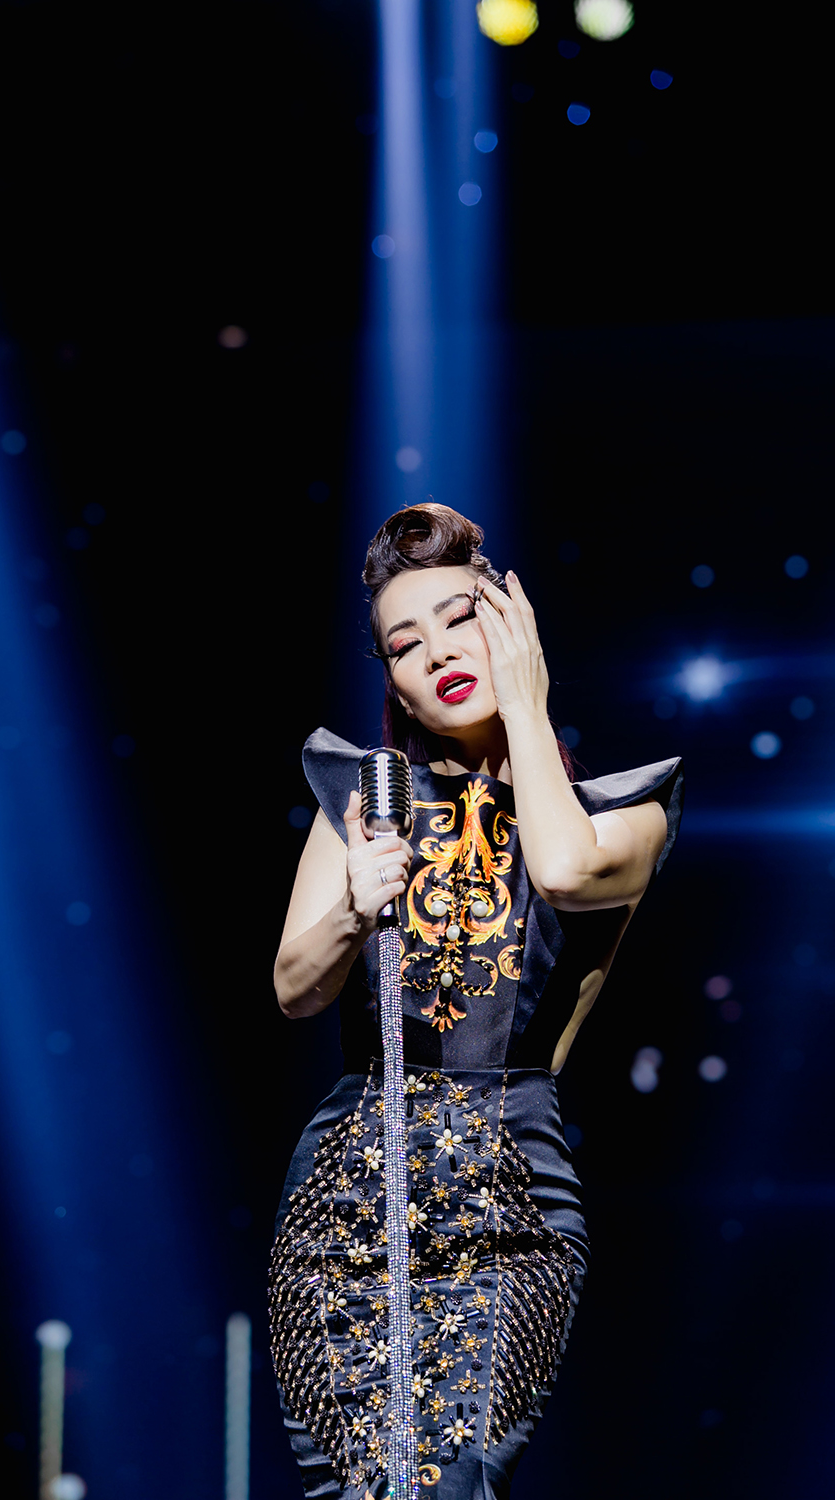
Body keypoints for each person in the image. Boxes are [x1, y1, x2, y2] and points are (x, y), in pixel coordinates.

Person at [270, 503, 682, 1499]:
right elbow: (293, 989)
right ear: (395, 686)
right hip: (344, 1198)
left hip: (508, 1202)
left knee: (448, 1481)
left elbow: (565, 872)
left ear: (513, 627)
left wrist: (526, 703)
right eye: (404, 646)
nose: (438, 654)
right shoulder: (364, 805)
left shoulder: (626, 815)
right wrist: (352, 907)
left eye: (462, 620)